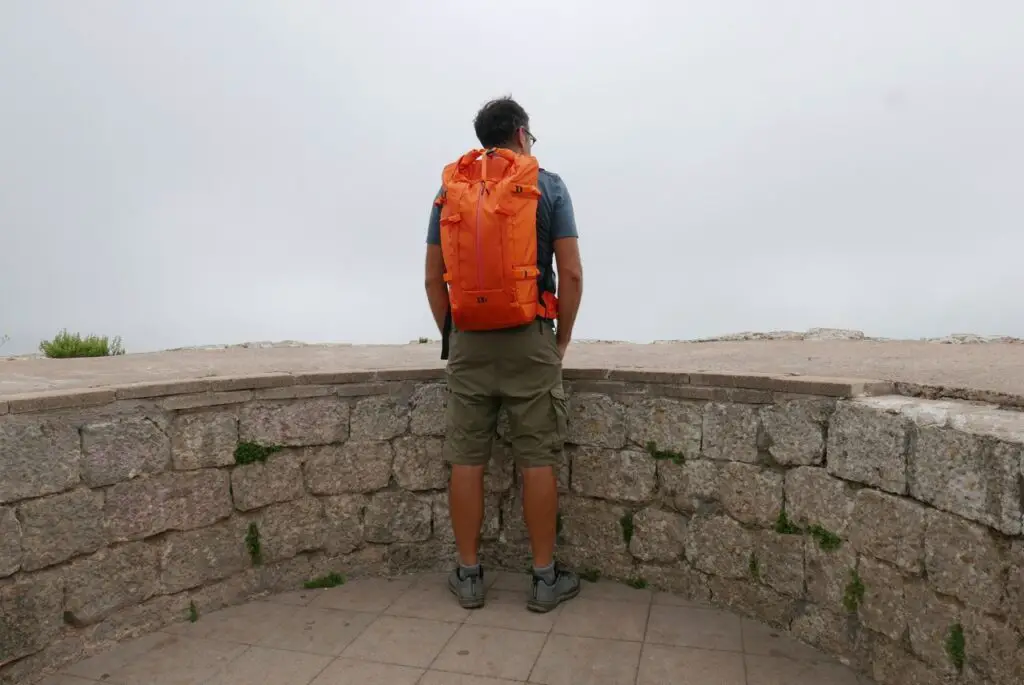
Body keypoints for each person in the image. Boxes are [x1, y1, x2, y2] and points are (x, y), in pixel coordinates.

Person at [423, 96, 584, 613]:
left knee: (466, 460)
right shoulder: (548, 185)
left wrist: (455, 334)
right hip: (530, 335)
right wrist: (558, 342)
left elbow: (432, 278)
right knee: (537, 458)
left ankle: (469, 576)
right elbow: (573, 274)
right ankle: (543, 580)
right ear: (520, 134)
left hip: (469, 341)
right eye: (530, 137)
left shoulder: (451, 191)